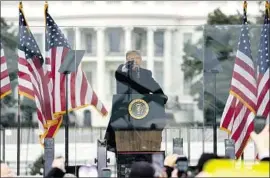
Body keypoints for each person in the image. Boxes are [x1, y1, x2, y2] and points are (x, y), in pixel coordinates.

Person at [105, 50, 168, 152]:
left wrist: (161, 96)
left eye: (136, 58)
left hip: (143, 108)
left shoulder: (146, 73)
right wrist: (129, 69)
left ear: (141, 60)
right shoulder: (122, 70)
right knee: (117, 118)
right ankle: (112, 143)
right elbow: (120, 76)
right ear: (126, 60)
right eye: (131, 58)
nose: (134, 61)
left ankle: (149, 144)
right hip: (124, 106)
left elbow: (154, 86)